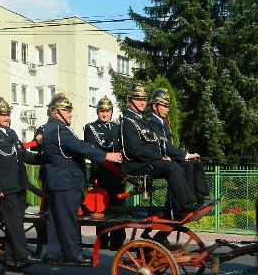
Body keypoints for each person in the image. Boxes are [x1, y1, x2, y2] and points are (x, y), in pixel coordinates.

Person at [42, 93, 122, 265]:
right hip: (66, 183)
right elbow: (80, 146)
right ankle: (73, 254)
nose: (71, 114)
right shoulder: (59, 130)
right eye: (67, 111)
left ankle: (53, 253)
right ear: (56, 112)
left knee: (55, 220)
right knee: (68, 221)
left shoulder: (51, 128)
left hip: (59, 182)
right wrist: (106, 155)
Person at [119, 82, 201, 220]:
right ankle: (185, 207)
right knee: (172, 167)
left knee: (184, 165)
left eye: (144, 99)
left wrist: (166, 155)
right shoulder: (128, 122)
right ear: (129, 100)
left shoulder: (143, 122)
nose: (142, 102)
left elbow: (157, 144)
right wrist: (159, 157)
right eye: (138, 99)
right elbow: (135, 150)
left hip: (149, 161)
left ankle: (185, 205)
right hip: (136, 164)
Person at [0, 97, 40, 266]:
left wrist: (44, 159)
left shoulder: (12, 133)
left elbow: (24, 155)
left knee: (16, 220)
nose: (6, 118)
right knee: (14, 221)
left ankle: (10, 251)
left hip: (20, 184)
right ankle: (22, 254)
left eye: (7, 114)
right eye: (2, 115)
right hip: (6, 188)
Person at [147, 88, 209, 204]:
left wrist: (184, 156)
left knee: (196, 163)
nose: (167, 109)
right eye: (165, 106)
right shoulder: (150, 122)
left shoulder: (163, 123)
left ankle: (200, 197)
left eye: (168, 106)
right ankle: (187, 202)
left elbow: (168, 145)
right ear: (155, 106)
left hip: (168, 157)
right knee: (187, 165)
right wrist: (186, 155)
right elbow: (163, 145)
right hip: (157, 160)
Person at [83, 95, 126, 250]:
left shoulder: (117, 128)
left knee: (118, 208)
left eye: (107, 111)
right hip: (100, 172)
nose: (105, 114)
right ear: (98, 112)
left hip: (117, 173)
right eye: (102, 111)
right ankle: (102, 239)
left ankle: (117, 240)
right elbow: (92, 151)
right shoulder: (91, 128)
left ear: (111, 112)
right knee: (101, 208)